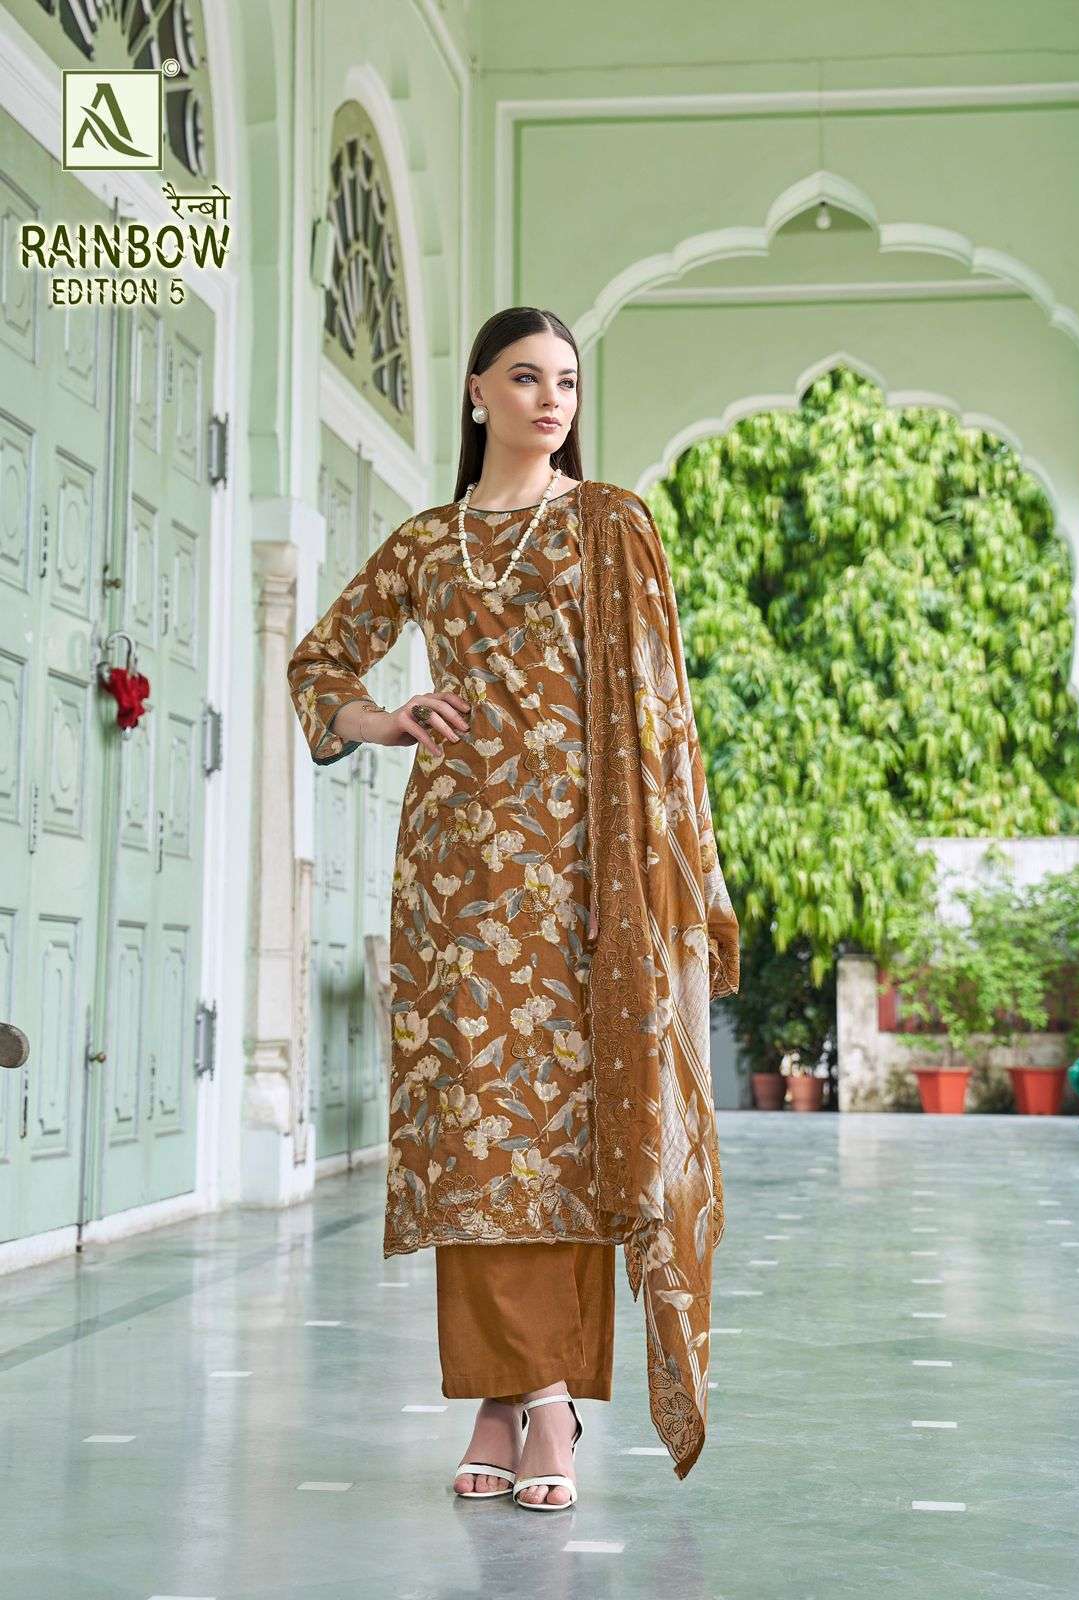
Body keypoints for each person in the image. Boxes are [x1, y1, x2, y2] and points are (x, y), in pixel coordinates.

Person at [287, 306, 739, 1509]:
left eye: (568, 383)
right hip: (455, 872)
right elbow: (320, 662)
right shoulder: (427, 542)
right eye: (528, 377)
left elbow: (662, 707)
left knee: (576, 1131)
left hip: (586, 870)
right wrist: (385, 719)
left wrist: (664, 877)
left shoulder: (608, 524)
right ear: (477, 392)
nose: (552, 400)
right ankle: (520, 1393)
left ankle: (530, 1400)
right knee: (472, 1133)